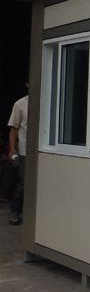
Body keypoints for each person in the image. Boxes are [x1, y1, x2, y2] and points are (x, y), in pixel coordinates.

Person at [7, 83, 28, 225]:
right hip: (25, 149)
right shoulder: (20, 104)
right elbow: (14, 128)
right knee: (24, 181)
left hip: (43, 149)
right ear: (27, 84)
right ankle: (15, 210)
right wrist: (12, 148)